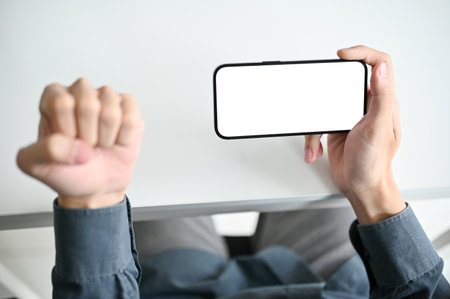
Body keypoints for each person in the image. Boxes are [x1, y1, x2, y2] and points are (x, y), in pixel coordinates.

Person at [16, 46, 450, 298]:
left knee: (166, 160)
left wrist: (95, 200)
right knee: (309, 161)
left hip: (178, 286)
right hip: (345, 282)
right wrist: (373, 189)